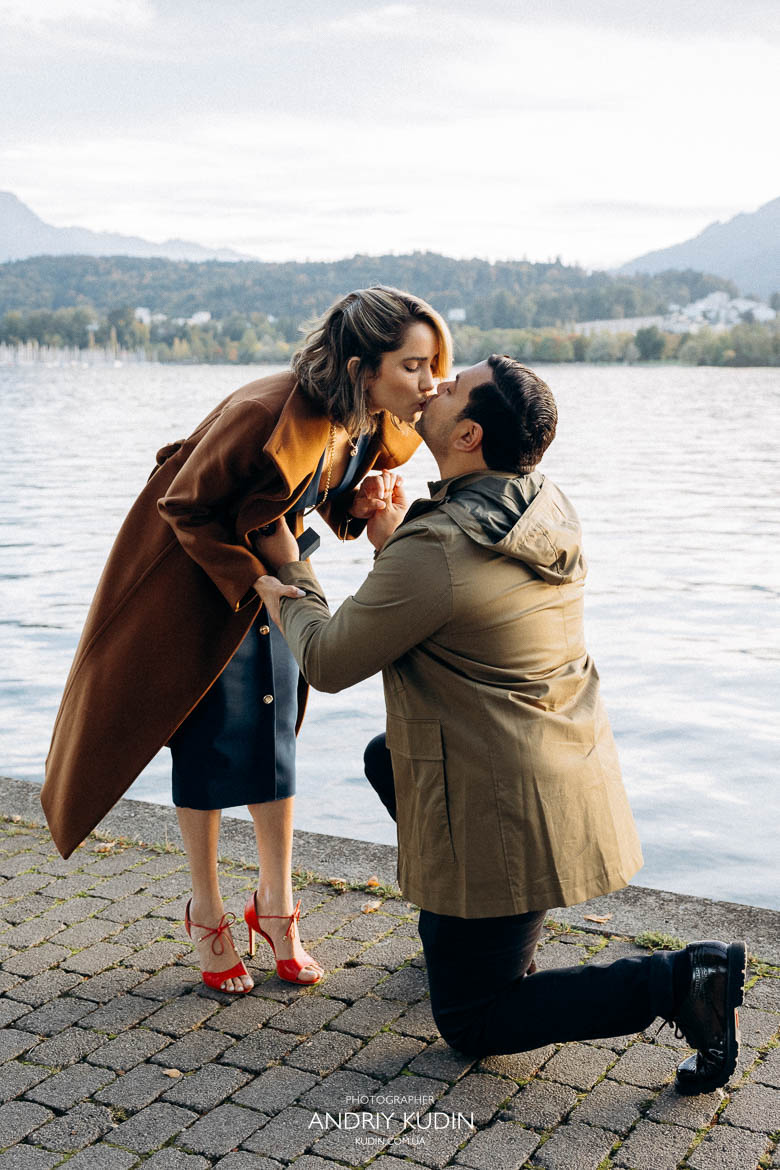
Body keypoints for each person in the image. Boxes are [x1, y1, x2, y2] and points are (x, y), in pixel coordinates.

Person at [254, 355, 745, 1095]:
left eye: (453, 386)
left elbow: (325, 659)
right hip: (557, 768)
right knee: (389, 757)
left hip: (499, 803)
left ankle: (682, 980)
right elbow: (463, 597)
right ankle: (478, 936)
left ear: (469, 435)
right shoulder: (540, 502)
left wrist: (290, 575)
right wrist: (392, 535)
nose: (435, 383)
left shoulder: (439, 547)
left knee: (472, 1021)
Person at [41, 286, 452, 994]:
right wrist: (250, 578)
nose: (429, 383)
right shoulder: (265, 411)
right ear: (362, 367)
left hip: (275, 579)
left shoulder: (363, 419)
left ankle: (276, 906)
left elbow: (300, 489)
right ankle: (206, 911)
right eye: (413, 366)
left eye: (433, 367)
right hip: (200, 588)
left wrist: (353, 507)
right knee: (206, 747)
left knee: (275, 739)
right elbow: (182, 503)